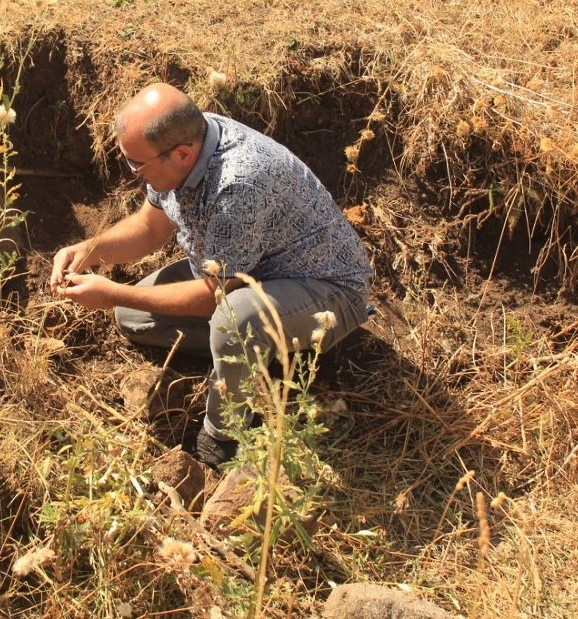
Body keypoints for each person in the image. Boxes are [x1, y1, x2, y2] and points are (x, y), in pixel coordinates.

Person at [50, 82, 373, 466]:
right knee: (132, 318)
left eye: (136, 164)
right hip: (246, 280)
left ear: (182, 154)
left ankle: (226, 436)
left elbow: (214, 297)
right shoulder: (189, 143)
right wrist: (88, 251)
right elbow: (149, 228)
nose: (132, 171)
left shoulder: (238, 183)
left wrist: (113, 292)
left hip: (327, 292)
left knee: (234, 320)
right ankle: (267, 354)